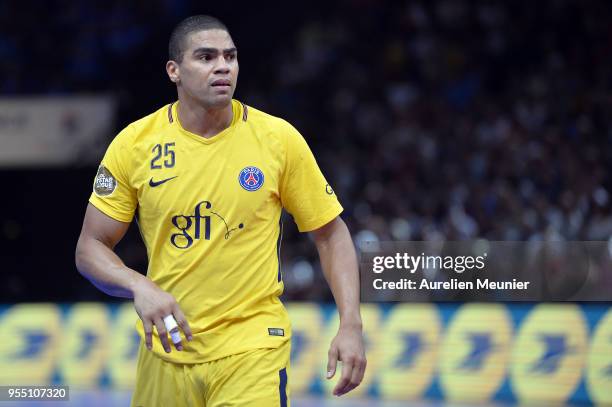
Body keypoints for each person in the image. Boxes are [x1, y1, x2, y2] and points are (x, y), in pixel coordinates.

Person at [75, 14, 366, 407]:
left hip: (252, 348)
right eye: (206, 57)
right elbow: (91, 246)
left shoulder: (277, 140)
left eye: (230, 56)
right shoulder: (134, 145)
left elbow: (331, 234)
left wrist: (350, 323)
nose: (223, 67)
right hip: (168, 349)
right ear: (174, 70)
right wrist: (138, 285)